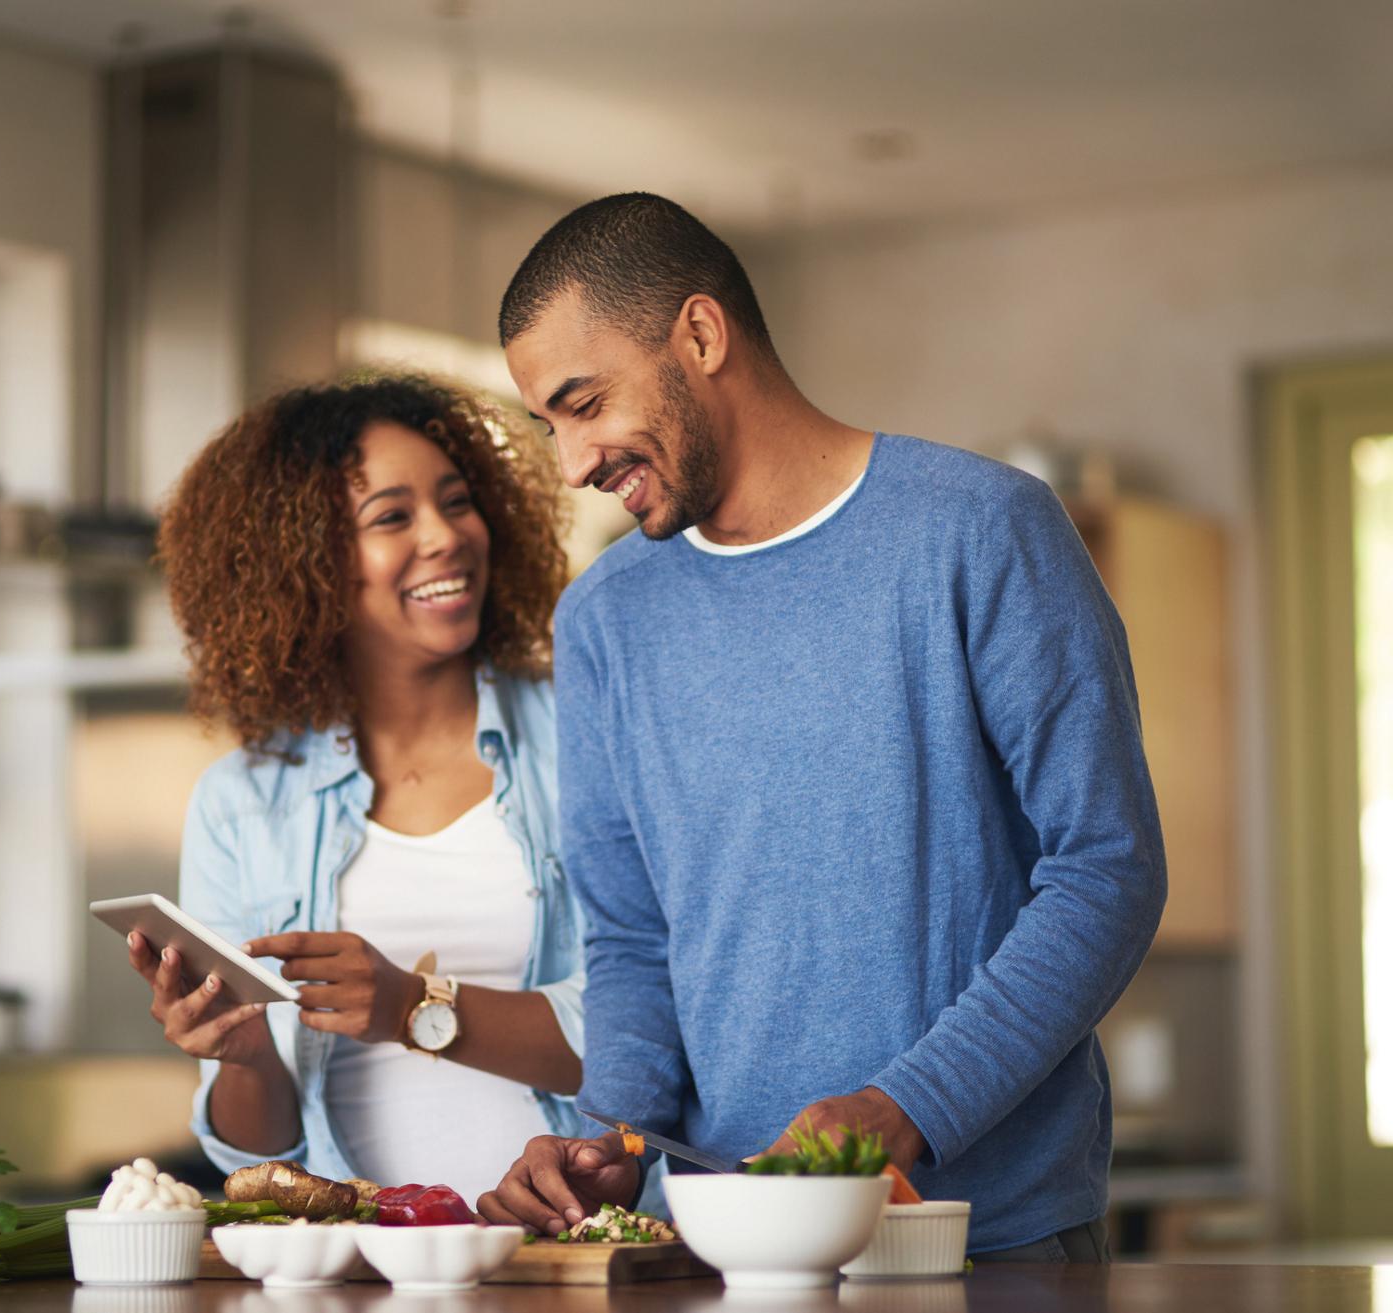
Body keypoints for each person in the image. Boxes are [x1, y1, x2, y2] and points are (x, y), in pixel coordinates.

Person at [475, 194, 1166, 1261]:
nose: (571, 462)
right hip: (717, 1239)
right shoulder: (604, 618)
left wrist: (906, 1106)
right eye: (547, 424)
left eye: (585, 402)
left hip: (983, 1236)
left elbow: (1105, 869)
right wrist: (608, 1133)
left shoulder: (981, 530)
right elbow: (631, 936)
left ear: (700, 336)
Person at [126, 374, 586, 1208]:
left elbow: (645, 1036)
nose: (446, 536)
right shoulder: (243, 804)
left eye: (456, 501)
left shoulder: (585, 737)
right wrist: (242, 1053)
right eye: (393, 517)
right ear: (303, 565)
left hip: (578, 1249)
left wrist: (413, 1005)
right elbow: (261, 1158)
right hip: (363, 1263)